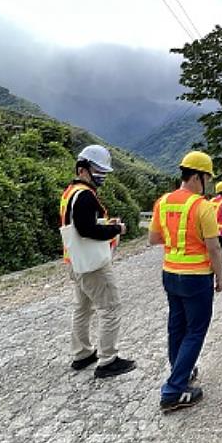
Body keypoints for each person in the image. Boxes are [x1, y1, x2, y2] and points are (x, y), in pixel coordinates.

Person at [149, 151, 222, 412]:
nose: (207, 183)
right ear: (197, 177)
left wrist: (176, 241)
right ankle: (173, 391)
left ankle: (179, 372)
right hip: (196, 277)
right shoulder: (201, 206)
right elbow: (214, 248)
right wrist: (220, 276)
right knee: (195, 330)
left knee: (177, 325)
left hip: (170, 273)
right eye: (207, 177)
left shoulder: (162, 202)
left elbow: (154, 239)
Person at [59, 144, 135, 378]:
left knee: (82, 308)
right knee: (110, 306)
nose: (101, 176)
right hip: (92, 265)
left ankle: (82, 354)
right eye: (98, 171)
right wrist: (115, 229)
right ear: (83, 169)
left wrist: (105, 224)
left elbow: (78, 225)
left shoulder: (70, 192)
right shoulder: (84, 196)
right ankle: (108, 360)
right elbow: (86, 230)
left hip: (75, 260)